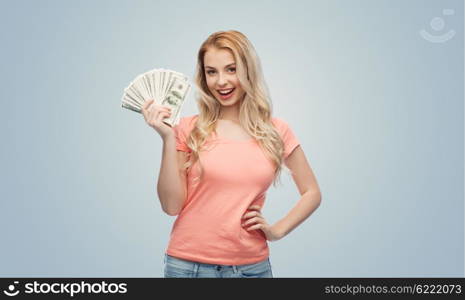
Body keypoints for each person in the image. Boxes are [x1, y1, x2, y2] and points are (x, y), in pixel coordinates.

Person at [141, 30, 322, 278]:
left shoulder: (277, 131)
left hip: (251, 269)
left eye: (231, 69)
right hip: (187, 267)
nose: (221, 82)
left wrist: (277, 231)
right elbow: (171, 206)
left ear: (247, 71)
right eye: (211, 72)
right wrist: (167, 138)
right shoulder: (187, 128)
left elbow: (312, 193)